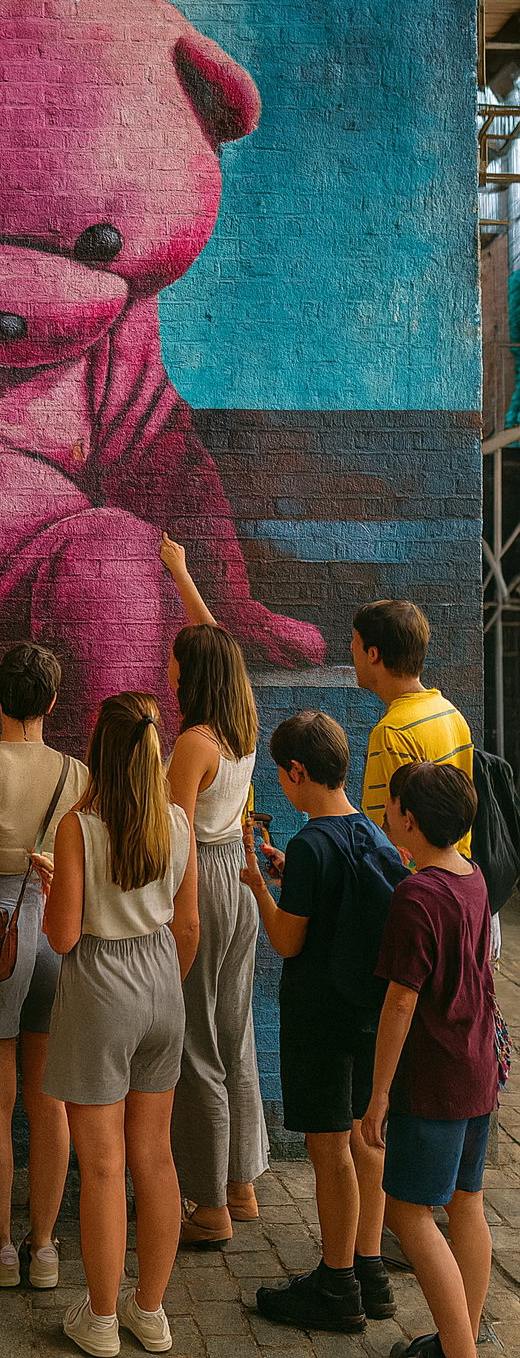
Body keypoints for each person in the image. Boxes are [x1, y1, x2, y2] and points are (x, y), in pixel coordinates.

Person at [43, 692, 200, 1357]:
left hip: (100, 987)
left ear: (97, 750)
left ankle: (102, 1320)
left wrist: (52, 885)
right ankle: (152, 1312)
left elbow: (62, 935)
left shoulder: (79, 828)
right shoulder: (178, 823)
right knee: (155, 1156)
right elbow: (188, 926)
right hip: (164, 982)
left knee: (103, 1165)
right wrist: (163, 985)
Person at [241, 711, 408, 1335]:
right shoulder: (371, 833)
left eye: (281, 776)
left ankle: (335, 1285)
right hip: (364, 1012)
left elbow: (287, 941)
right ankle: (370, 1268)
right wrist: (293, 875)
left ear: (296, 772)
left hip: (318, 1017)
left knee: (329, 1147)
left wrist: (260, 886)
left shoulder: (312, 842)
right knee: (366, 1138)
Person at [0, 642, 88, 1290]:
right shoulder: (78, 775)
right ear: (54, 703)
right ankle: (43, 1248)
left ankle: (1, 1248)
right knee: (49, 1103)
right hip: (55, 936)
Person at [363, 763, 497, 1358]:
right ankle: (458, 1336)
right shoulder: (473, 878)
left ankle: (458, 1349)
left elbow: (400, 1002)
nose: (386, 813)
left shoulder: (416, 896)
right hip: (478, 1069)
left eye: (390, 805)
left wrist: (378, 1095)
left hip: (435, 1080)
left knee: (409, 1214)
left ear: (409, 820)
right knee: (467, 1203)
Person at [159, 533, 267, 1246]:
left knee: (196, 1041)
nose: (166, 671)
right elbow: (219, 642)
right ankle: (241, 1183)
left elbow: (169, 835)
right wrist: (183, 575)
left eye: (173, 665)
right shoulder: (242, 724)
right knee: (235, 1036)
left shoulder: (194, 742)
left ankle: (208, 1205)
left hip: (202, 878)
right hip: (240, 879)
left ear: (191, 677)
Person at [352, 601, 474, 856]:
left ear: (373, 654)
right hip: (453, 870)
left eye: (354, 641)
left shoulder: (392, 733)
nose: (351, 648)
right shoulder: (450, 713)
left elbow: (387, 836)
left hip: (413, 883)